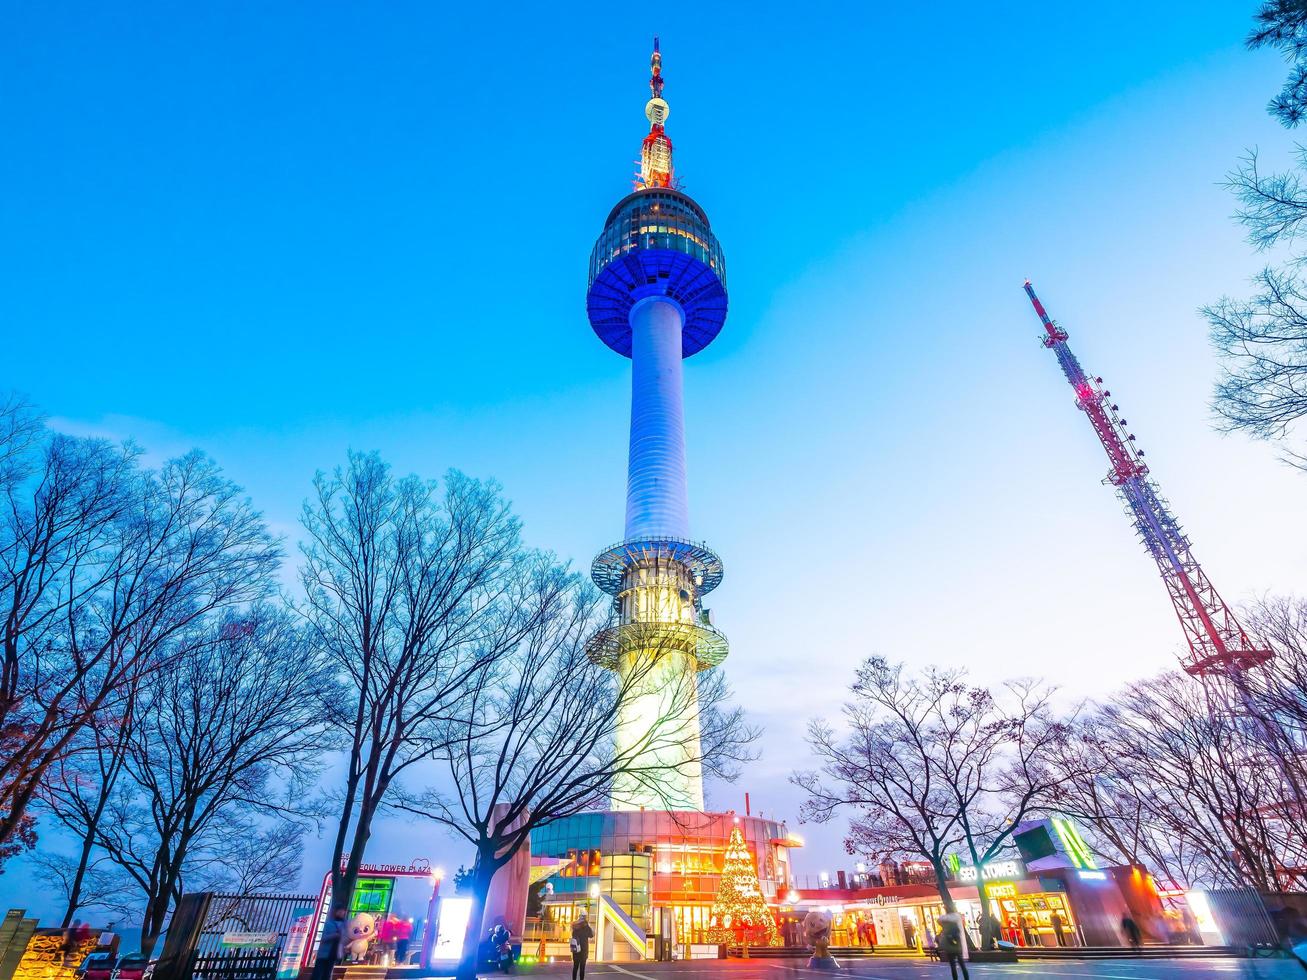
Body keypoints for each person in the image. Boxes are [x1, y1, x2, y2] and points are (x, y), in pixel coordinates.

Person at [312, 907, 348, 980]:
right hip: (324, 953)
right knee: (318, 973)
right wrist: (334, 935)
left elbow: (345, 938)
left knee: (328, 974)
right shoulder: (328, 923)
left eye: (343, 912)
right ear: (335, 912)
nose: (342, 914)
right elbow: (322, 937)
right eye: (340, 912)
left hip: (334, 953)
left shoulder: (344, 924)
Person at [936, 913, 969, 980]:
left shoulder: (946, 927)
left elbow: (939, 920)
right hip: (957, 948)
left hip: (950, 948)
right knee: (962, 965)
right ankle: (966, 978)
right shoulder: (955, 925)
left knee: (953, 966)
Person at [570, 913, 593, 980]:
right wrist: (587, 925)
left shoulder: (575, 927)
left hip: (576, 950)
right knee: (582, 968)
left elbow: (573, 935)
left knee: (575, 967)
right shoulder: (586, 927)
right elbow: (591, 935)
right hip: (584, 950)